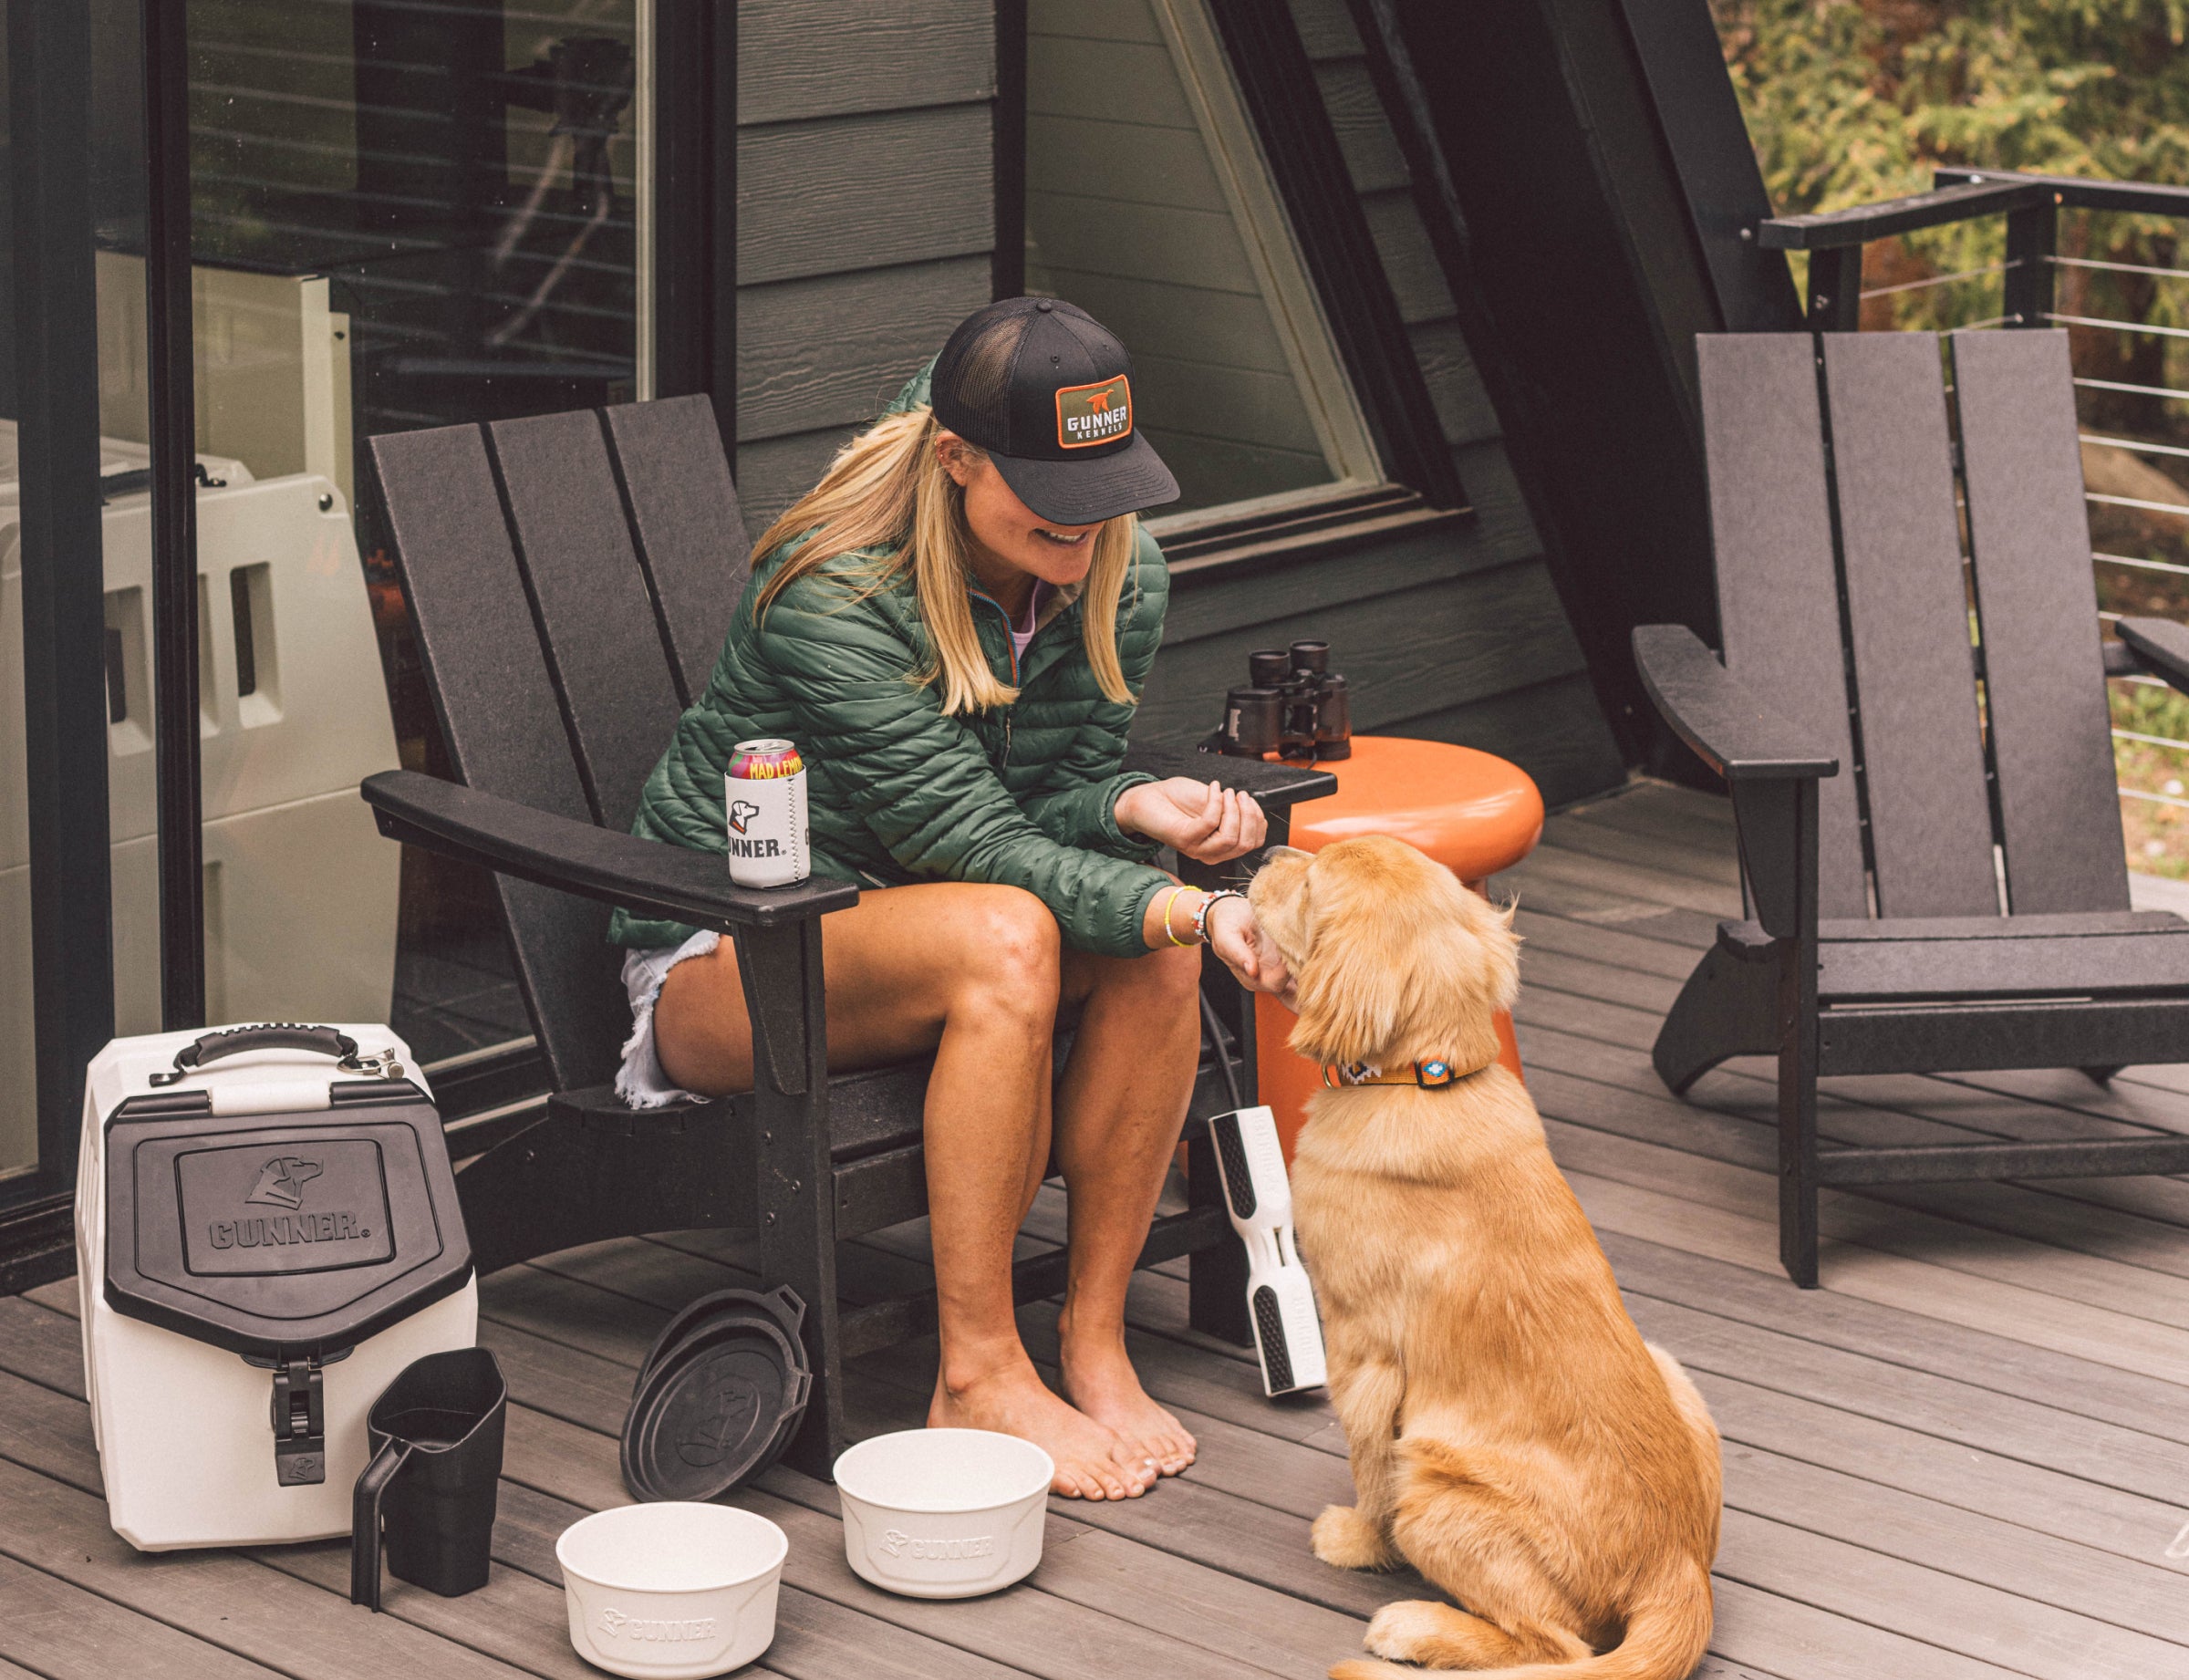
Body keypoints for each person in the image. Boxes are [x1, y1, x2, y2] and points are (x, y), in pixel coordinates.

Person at [610, 297, 1291, 1499]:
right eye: (1053, 500)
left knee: (1149, 948)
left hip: (943, 915)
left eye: (1107, 492)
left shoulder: (1115, 568)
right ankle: (974, 1372)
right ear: (954, 459)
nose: (1087, 532)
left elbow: (1046, 803)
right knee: (1039, 931)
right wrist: (1187, 901)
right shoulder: (833, 591)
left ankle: (1090, 1338)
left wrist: (1135, 808)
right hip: (732, 956)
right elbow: (974, 843)